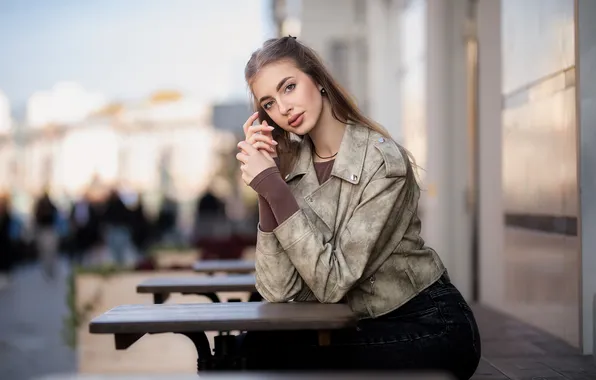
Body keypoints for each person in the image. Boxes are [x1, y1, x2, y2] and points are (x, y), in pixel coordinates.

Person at [234, 36, 481, 379]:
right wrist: (267, 185)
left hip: (427, 324)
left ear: (317, 80)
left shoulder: (382, 162)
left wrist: (274, 188)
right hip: (360, 325)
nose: (284, 108)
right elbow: (278, 291)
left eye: (289, 87)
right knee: (251, 348)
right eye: (269, 103)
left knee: (257, 354)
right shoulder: (294, 175)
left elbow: (332, 284)